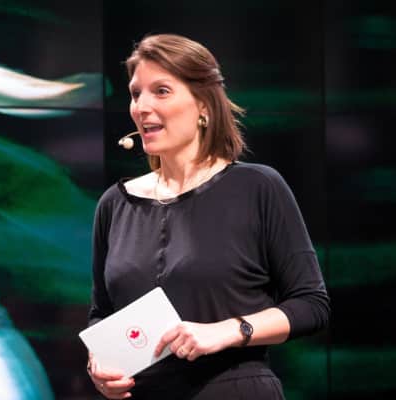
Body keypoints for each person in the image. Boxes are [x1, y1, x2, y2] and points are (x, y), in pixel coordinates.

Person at [86, 33, 330, 400]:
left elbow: (311, 304)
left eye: (161, 91)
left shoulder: (257, 187)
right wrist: (99, 365)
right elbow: (101, 313)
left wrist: (229, 330)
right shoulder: (114, 204)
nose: (141, 106)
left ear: (203, 105)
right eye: (136, 94)